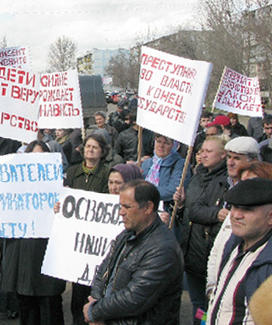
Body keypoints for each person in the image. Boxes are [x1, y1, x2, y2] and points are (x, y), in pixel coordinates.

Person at [84, 180, 184, 324]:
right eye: (120, 206)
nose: (121, 212)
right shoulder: (127, 235)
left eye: (127, 207)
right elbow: (103, 271)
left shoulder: (162, 249)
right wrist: (96, 305)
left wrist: (95, 311)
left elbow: (135, 298)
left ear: (148, 207)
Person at [2, 141, 65, 325]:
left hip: (47, 250)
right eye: (34, 155)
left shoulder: (60, 183)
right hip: (22, 250)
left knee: (49, 301)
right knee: (26, 300)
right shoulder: (14, 182)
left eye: (42, 155)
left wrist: (61, 208)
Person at [175, 135, 228, 324]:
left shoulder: (225, 181)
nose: (203, 155)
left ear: (223, 155)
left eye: (208, 151)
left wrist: (210, 213)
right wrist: (181, 206)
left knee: (211, 304)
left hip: (208, 251)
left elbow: (215, 214)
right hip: (192, 250)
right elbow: (191, 212)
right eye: (201, 151)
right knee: (198, 303)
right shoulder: (197, 176)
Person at [206, 178, 272, 324]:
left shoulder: (268, 263)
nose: (236, 215)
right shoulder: (234, 245)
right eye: (234, 207)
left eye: (247, 210)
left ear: (270, 217)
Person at [65, 133, 110, 325]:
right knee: (78, 289)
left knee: (94, 286)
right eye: (88, 146)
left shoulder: (108, 173)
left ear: (102, 152)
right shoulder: (73, 171)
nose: (90, 150)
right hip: (76, 238)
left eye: (95, 147)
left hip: (96, 239)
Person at [141, 133, 190, 207]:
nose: (161, 146)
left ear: (175, 146)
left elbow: (173, 189)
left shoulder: (180, 164)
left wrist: (145, 193)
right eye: (159, 141)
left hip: (164, 209)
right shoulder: (146, 163)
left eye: (166, 143)